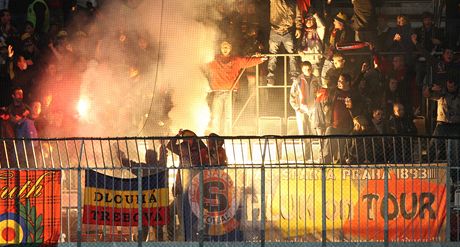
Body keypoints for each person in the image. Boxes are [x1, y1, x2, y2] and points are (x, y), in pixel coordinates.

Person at [205, 41, 266, 135]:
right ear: (220, 48)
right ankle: (214, 137)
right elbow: (202, 61)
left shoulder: (236, 60)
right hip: (217, 92)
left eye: (227, 47)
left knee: (228, 116)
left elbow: (247, 61)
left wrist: (260, 59)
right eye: (223, 47)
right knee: (216, 116)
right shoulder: (214, 59)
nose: (225, 49)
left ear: (230, 48)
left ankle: (227, 135)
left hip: (230, 92)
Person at [120, 144, 169, 241]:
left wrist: (121, 155)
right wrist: (162, 146)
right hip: (158, 202)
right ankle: (160, 243)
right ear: (155, 158)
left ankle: (141, 243)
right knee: (158, 228)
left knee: (144, 227)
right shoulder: (161, 166)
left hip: (145, 202)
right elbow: (163, 158)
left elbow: (128, 164)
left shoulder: (142, 168)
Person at [166, 129, 209, 241]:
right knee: (171, 213)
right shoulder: (182, 148)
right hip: (181, 190)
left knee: (190, 219)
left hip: (194, 191)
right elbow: (170, 145)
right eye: (184, 139)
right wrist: (177, 135)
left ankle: (190, 240)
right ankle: (176, 239)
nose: (186, 141)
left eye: (188, 138)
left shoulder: (200, 151)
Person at [266, 0, 302, 86]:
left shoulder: (294, 2)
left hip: (288, 31)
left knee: (292, 54)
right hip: (275, 30)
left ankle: (294, 76)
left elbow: (298, 16)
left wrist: (298, 28)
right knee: (272, 54)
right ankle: (270, 77)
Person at [290, 61, 321, 136]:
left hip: (313, 109)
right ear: (302, 70)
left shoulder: (316, 80)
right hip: (301, 109)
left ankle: (315, 147)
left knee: (314, 130)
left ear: (312, 69)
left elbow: (319, 94)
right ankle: (306, 148)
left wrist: (317, 107)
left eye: (309, 69)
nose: (307, 71)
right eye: (305, 69)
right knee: (303, 132)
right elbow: (292, 95)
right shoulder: (298, 81)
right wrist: (297, 108)